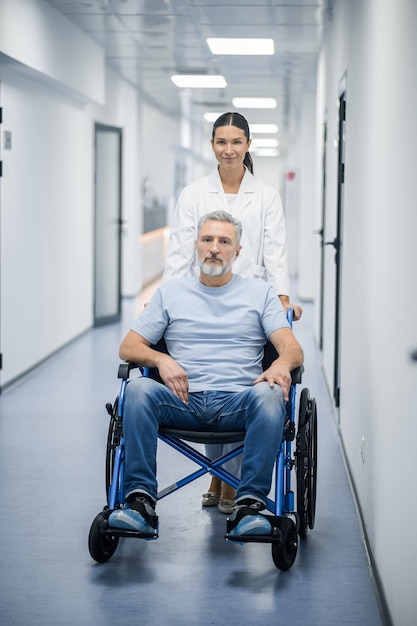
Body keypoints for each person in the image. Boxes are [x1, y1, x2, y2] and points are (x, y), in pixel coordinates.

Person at [109, 211, 304, 538]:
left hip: (239, 404)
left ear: (237, 251)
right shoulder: (170, 292)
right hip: (182, 401)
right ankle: (140, 503)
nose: (214, 248)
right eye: (207, 240)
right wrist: (160, 359)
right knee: (139, 390)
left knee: (271, 394)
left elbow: (292, 349)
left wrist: (281, 365)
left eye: (224, 241)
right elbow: (128, 347)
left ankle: (248, 506)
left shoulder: (261, 294)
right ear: (196, 246)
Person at [162, 111, 302, 513]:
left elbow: (275, 254)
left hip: (250, 301)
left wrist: (283, 298)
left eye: (236, 142)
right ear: (212, 146)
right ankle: (221, 473)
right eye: (221, 142)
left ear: (248, 145)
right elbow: (178, 253)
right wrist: (169, 300)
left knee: (242, 381)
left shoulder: (267, 195)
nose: (228, 150)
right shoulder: (193, 193)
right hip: (201, 296)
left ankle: (226, 479)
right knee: (205, 376)